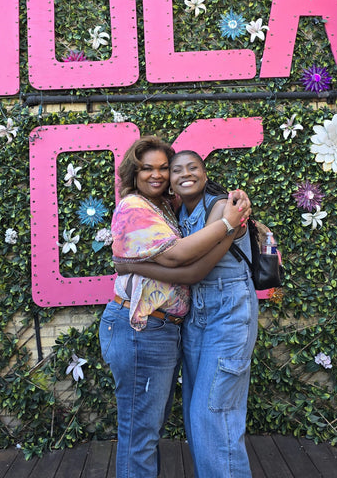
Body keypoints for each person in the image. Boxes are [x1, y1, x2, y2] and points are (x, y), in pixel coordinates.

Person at [99, 136, 249, 478]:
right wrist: (228, 224)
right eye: (147, 168)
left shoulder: (166, 208)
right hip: (140, 328)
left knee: (147, 432)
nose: (157, 174)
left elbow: (193, 270)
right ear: (133, 174)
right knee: (140, 436)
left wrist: (238, 218)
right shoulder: (135, 207)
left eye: (163, 168)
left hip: (161, 330)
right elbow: (177, 257)